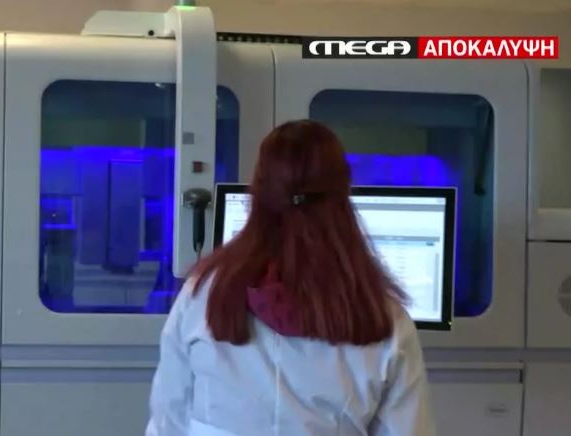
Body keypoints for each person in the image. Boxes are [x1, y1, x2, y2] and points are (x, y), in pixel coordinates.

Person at [146, 120, 435, 436]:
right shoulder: (383, 318)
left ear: (258, 194)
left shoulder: (202, 296)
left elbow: (167, 421)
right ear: (343, 197)